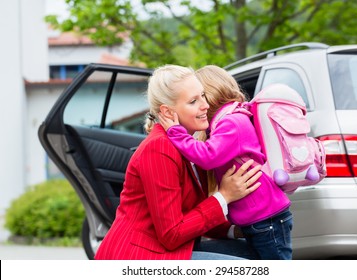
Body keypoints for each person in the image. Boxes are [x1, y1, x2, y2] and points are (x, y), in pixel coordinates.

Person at [94, 64, 262, 260]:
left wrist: (235, 231)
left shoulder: (190, 145)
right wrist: (224, 196)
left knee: (257, 252)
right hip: (140, 257)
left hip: (172, 250)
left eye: (203, 96)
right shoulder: (159, 149)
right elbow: (172, 234)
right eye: (193, 101)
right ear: (167, 112)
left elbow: (193, 214)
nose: (205, 105)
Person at [159, 65, 293, 260]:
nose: (200, 104)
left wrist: (176, 133)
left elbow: (207, 157)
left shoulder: (232, 122)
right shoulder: (230, 119)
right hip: (262, 218)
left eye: (200, 97)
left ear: (210, 94)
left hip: (266, 218)